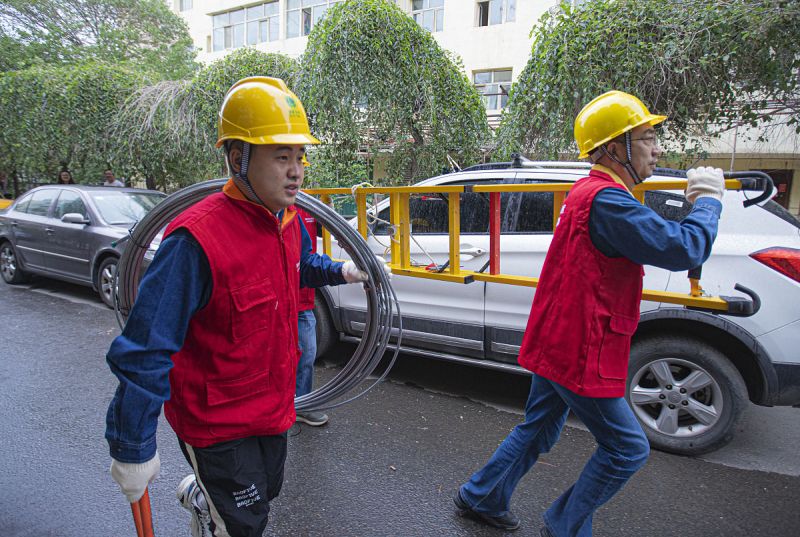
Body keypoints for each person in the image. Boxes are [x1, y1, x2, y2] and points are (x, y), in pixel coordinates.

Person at [105, 77, 386, 537]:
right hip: (215, 422)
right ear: (238, 158)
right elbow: (145, 351)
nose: (296, 171)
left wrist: (341, 272)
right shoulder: (193, 242)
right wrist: (132, 445)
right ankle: (216, 508)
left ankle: (204, 497)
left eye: (299, 156)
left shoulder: (287, 223)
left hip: (272, 406)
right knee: (246, 523)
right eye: (281, 157)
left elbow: (297, 265)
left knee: (266, 491)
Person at [453, 90, 726, 536]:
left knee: (540, 428)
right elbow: (683, 248)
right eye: (646, 138)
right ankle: (563, 526)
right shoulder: (608, 201)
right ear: (615, 148)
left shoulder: (591, 192)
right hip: (580, 345)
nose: (656, 149)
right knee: (627, 449)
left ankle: (482, 495)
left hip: (560, 338)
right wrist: (709, 203)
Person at [294, 207, 329, 426]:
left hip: (303, 300)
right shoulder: (276, 208)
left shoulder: (310, 207)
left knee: (307, 354)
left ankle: (302, 404)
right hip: (279, 299)